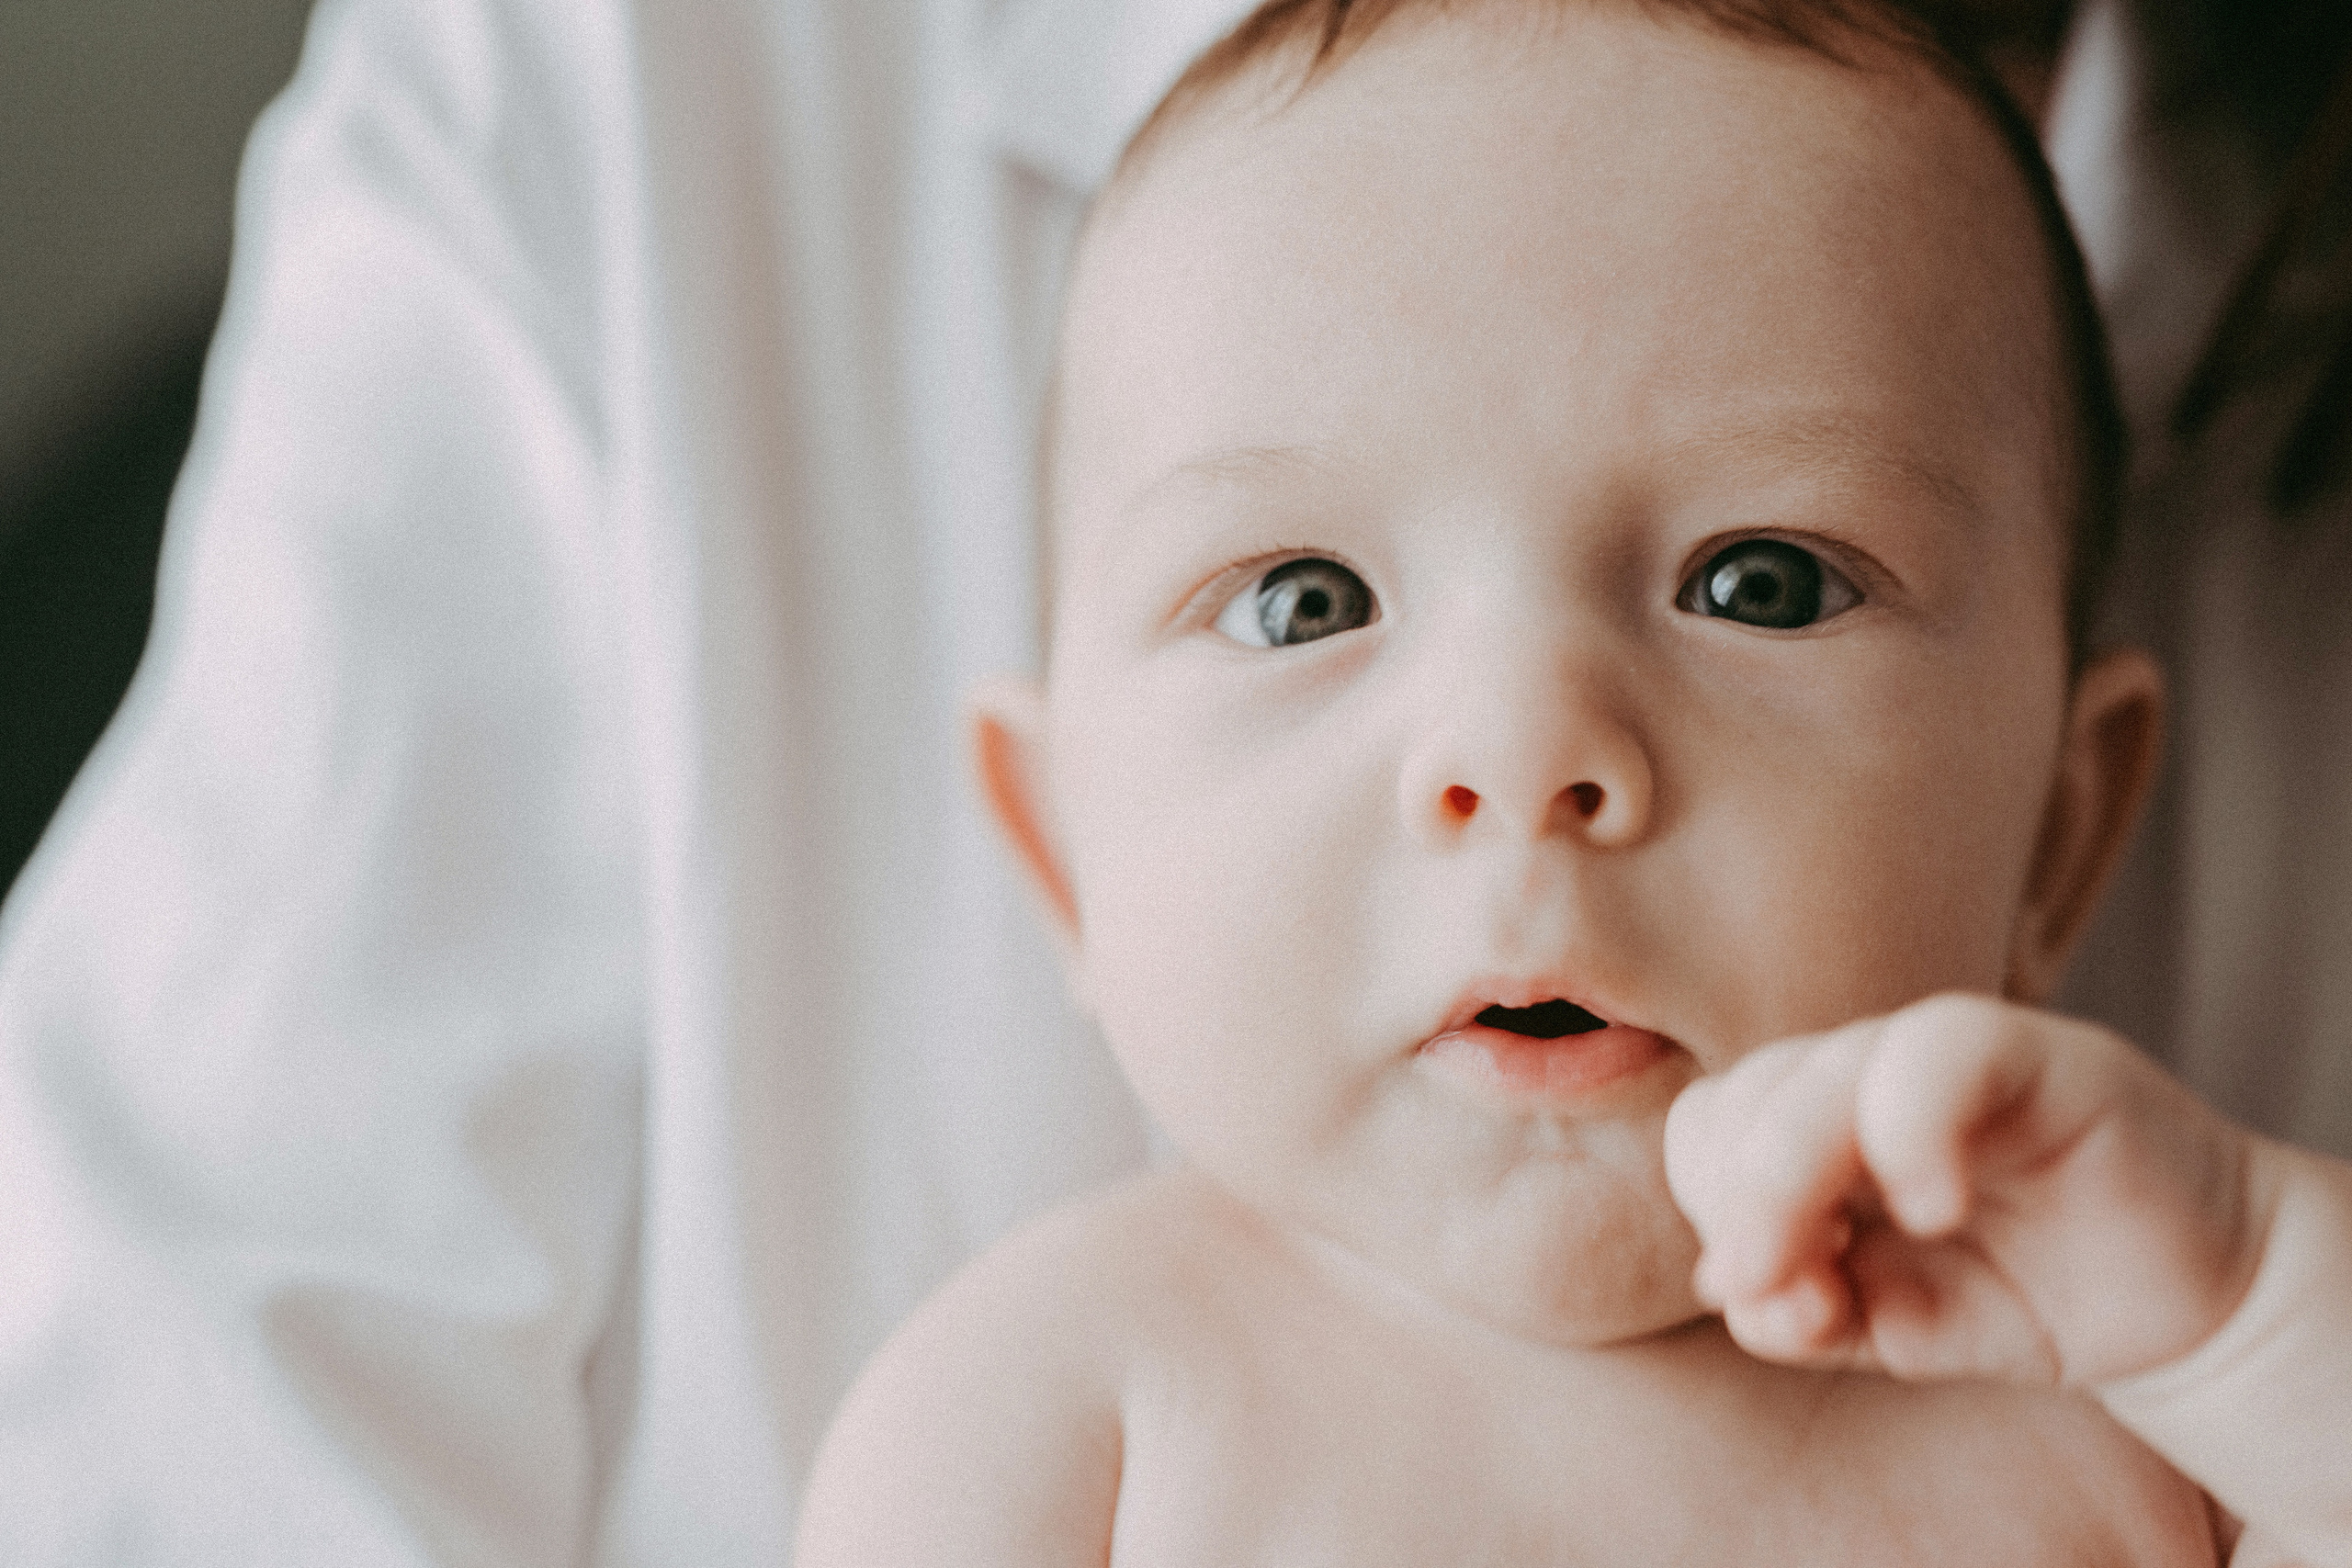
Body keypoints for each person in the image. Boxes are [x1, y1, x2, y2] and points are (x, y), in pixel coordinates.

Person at [792, 1, 2352, 1562]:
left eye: (1760, 586)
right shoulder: (1069, 1410)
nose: (1525, 752)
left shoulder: (2139, 1402)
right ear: (1066, 848)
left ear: (2058, 840)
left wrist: (2260, 1312)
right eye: (1304, 603)